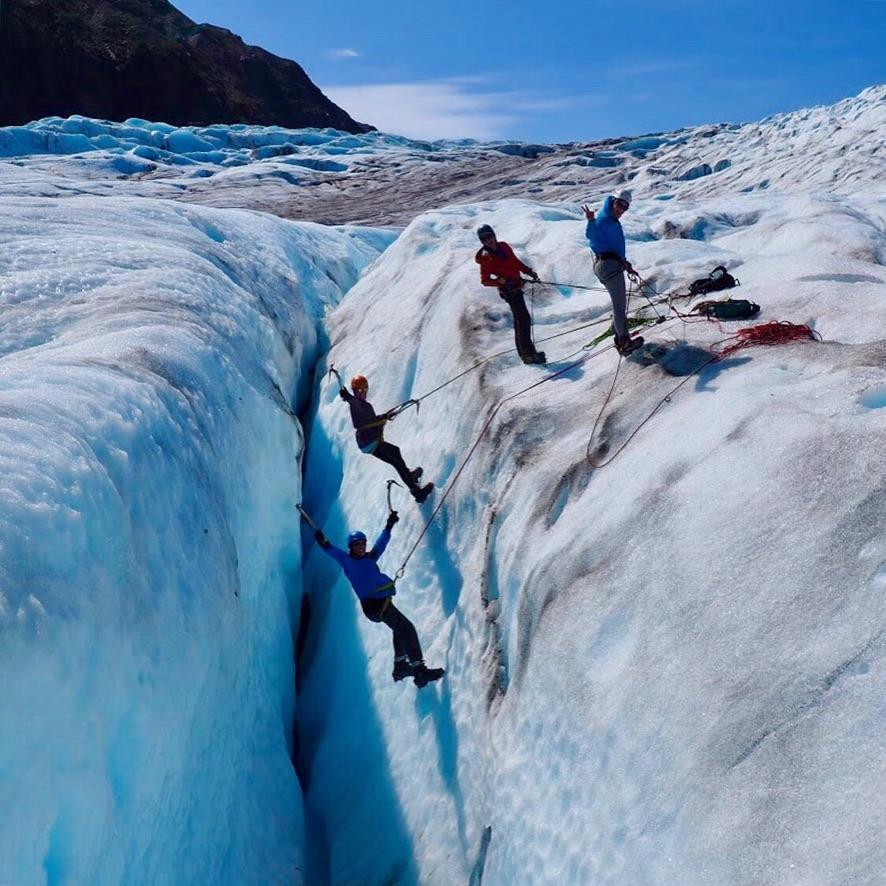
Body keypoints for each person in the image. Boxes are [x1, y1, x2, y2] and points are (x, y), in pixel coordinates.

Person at [315, 511, 445, 688]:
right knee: (406, 628)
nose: (361, 547)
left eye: (362, 544)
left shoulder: (369, 557)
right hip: (375, 606)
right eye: (356, 545)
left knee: (399, 629)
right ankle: (419, 669)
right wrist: (324, 543)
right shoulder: (348, 562)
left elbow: (380, 545)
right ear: (351, 547)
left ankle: (400, 666)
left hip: (381, 603)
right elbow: (334, 552)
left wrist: (389, 526)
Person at [340, 374, 434, 503]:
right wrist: (347, 397)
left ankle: (409, 477)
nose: (362, 393)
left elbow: (371, 420)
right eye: (359, 390)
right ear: (354, 392)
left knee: (395, 457)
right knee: (396, 456)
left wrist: (385, 416)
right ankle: (416, 491)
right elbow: (354, 403)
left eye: (364, 390)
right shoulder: (357, 404)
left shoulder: (365, 405)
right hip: (370, 441)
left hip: (368, 443)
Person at [582, 190, 645, 356]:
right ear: (613, 202)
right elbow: (591, 235)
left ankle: (620, 339)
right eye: (619, 204)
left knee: (619, 304)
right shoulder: (603, 219)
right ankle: (624, 342)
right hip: (608, 265)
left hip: (610, 263)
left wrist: (625, 264)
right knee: (619, 306)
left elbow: (613, 246)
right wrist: (590, 221)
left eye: (625, 207)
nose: (621, 209)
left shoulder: (610, 219)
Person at [474, 224, 547, 365]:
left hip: (516, 286)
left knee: (521, 320)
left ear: (494, 235)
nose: (488, 240)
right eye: (484, 239)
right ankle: (528, 355)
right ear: (481, 241)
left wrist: (528, 271)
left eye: (489, 236)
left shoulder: (504, 246)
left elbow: (515, 263)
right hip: (508, 291)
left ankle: (526, 354)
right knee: (523, 319)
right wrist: (500, 281)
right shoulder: (486, 259)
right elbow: (485, 281)